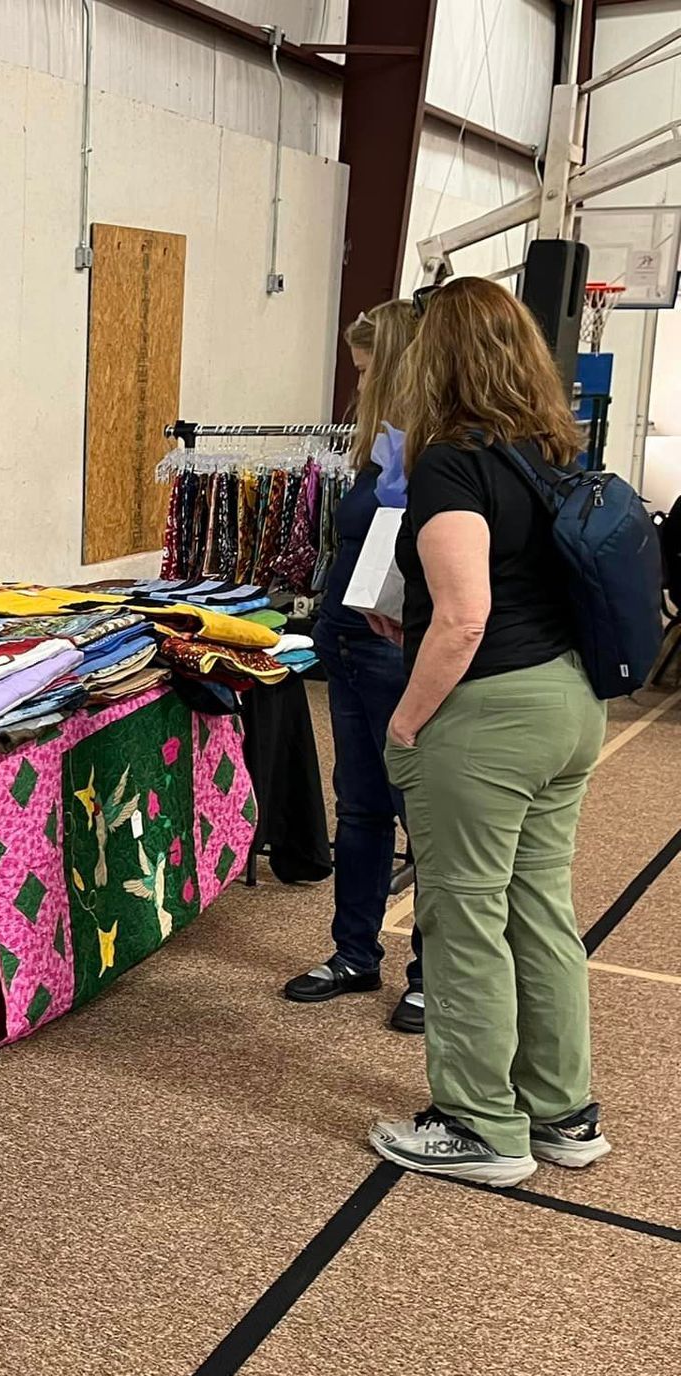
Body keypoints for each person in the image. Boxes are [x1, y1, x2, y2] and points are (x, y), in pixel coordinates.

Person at [367, 276, 607, 1188]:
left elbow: (464, 617)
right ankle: (563, 1112)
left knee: (462, 916)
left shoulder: (453, 462)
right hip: (568, 701)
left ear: (439, 356)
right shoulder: (550, 451)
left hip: (488, 714)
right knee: (539, 909)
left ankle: (478, 1125)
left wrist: (406, 720)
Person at [285, 302, 426, 1032]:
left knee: (419, 813)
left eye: (366, 367)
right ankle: (353, 952)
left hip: (390, 650)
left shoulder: (423, 448)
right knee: (362, 805)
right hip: (344, 641)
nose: (357, 379)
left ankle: (432, 974)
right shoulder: (382, 448)